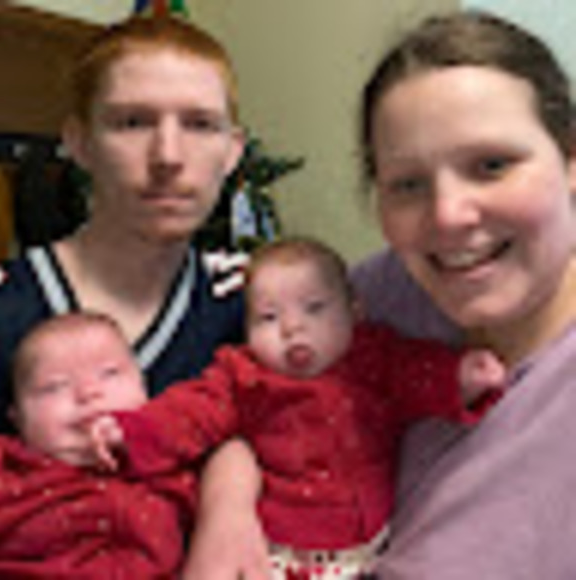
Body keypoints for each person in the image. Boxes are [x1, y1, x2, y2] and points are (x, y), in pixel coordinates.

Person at [0, 12, 262, 575]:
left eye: (200, 124)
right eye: (132, 122)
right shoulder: (6, 308)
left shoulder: (248, 308)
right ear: (79, 142)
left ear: (233, 150)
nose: (168, 155)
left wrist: (231, 501)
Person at [90, 237, 504, 579]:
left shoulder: (376, 358)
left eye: (315, 308)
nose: (292, 328)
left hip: (371, 551)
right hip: (276, 554)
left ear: (354, 311)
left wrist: (463, 376)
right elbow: (190, 411)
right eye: (268, 317)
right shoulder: (243, 376)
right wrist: (132, 432)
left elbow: (419, 375)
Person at [351, 10, 576, 579]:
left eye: (491, 165)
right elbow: (247, 399)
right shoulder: (373, 303)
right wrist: (228, 503)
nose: (448, 216)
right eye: (408, 185)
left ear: (571, 159)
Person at [0, 311, 198, 578]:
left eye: (110, 373)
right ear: (18, 419)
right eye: (55, 386)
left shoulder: (171, 455)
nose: (89, 393)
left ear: (145, 388)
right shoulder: (8, 467)